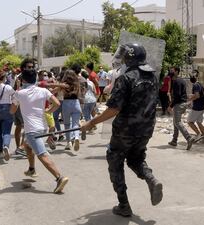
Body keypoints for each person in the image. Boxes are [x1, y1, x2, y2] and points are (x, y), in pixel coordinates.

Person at [81, 43, 163, 217]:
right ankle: (151, 179)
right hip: (146, 128)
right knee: (136, 159)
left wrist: (91, 123)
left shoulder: (126, 78)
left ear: (130, 57)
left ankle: (123, 205)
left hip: (125, 130)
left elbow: (113, 110)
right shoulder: (153, 77)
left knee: (115, 160)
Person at [10, 69, 69, 193]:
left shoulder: (19, 93)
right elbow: (57, 103)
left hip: (32, 129)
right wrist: (48, 111)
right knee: (27, 145)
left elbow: (12, 111)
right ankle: (31, 169)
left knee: (42, 154)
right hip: (43, 126)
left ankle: (59, 177)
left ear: (23, 80)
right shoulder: (43, 90)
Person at [168, 67, 196, 150]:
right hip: (183, 104)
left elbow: (177, 96)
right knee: (175, 122)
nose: (170, 71)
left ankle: (188, 138)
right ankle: (174, 140)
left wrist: (170, 106)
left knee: (177, 122)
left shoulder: (176, 82)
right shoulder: (181, 81)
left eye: (172, 70)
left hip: (178, 105)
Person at [60, 70, 82, 151]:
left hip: (66, 104)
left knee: (67, 124)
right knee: (75, 124)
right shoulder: (77, 84)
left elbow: (56, 89)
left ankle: (69, 142)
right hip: (76, 103)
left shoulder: (64, 84)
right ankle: (76, 137)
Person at [187, 70, 204, 143]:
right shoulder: (199, 84)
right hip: (202, 106)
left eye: (191, 76)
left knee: (189, 121)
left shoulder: (195, 85)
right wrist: (192, 97)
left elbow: (197, 96)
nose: (191, 78)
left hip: (197, 107)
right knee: (199, 122)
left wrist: (190, 99)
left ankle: (198, 134)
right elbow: (198, 95)